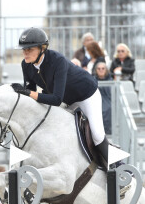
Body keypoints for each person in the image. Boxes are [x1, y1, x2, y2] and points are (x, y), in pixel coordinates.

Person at [11, 27, 109, 165]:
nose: (25, 53)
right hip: (65, 99)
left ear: (42, 48)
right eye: (24, 49)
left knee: (97, 134)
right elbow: (31, 93)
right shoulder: (26, 65)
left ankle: (117, 168)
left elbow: (56, 99)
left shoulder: (58, 61)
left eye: (29, 49)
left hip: (86, 95)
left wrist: (28, 93)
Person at [94, 62, 112, 135]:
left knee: (109, 109)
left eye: (103, 68)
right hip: (96, 101)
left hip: (108, 101)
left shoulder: (111, 81)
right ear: (96, 70)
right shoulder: (92, 80)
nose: (101, 70)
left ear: (106, 70)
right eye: (99, 69)